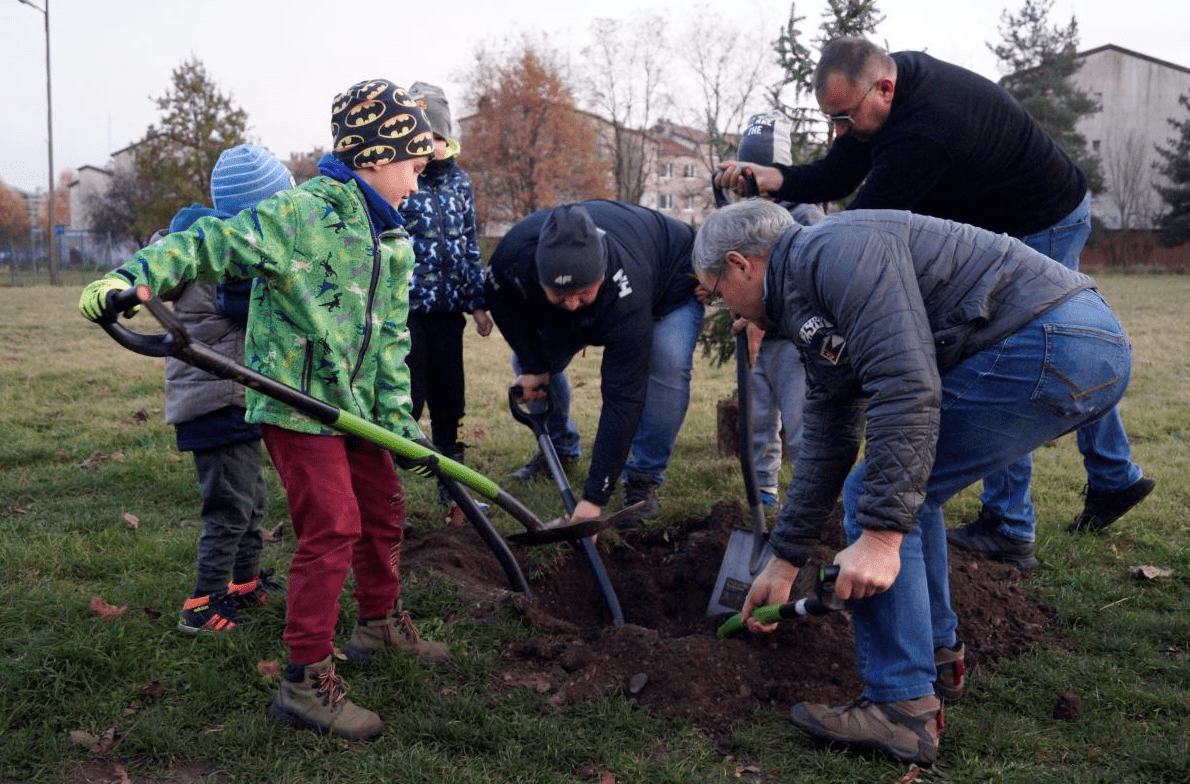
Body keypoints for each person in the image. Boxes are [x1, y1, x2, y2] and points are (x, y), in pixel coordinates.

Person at [694, 199, 1134, 765]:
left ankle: (900, 706)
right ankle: (936, 654)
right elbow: (831, 427)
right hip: (1070, 341)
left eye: (714, 291)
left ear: (740, 265)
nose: (724, 309)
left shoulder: (833, 252)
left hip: (1052, 339)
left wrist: (878, 538)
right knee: (905, 493)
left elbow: (904, 383)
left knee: (878, 496)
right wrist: (784, 558)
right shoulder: (808, 287)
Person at [80, 79, 450, 741]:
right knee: (333, 526)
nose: (417, 188)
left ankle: (379, 622)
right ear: (375, 157)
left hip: (357, 409)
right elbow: (208, 242)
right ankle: (304, 679)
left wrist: (401, 426)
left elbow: (391, 346)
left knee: (383, 509)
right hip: (297, 405)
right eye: (413, 170)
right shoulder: (301, 213)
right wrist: (127, 275)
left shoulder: (392, 244)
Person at [715, 36, 1153, 569]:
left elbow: (857, 234)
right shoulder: (882, 95)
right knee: (1048, 347)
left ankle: (1008, 525)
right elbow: (838, 174)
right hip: (998, 220)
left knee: (1004, 354)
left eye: (845, 119)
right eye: (833, 119)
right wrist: (777, 178)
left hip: (1043, 219)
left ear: (884, 88)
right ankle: (1114, 474)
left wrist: (778, 298)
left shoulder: (926, 130)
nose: (840, 132)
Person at [485, 200, 702, 528]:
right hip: (605, 292)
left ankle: (643, 478)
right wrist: (533, 365)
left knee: (667, 360)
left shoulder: (625, 287)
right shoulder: (511, 258)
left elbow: (622, 398)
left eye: (583, 293)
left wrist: (593, 499)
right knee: (525, 360)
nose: (572, 304)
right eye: (560, 294)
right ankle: (558, 449)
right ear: (538, 276)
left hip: (669, 274)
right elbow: (503, 306)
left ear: (600, 274)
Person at [161, 144, 293, 634]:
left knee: (252, 499)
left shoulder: (211, 250)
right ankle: (203, 602)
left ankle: (244, 581)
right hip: (216, 403)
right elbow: (263, 300)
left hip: (234, 401)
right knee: (229, 508)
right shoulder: (227, 268)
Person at [398, 82, 493, 525]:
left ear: (447, 137)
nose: (429, 146)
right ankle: (389, 482)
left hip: (449, 310)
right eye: (421, 138)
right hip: (407, 310)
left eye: (436, 136)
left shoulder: (460, 182)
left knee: (449, 398)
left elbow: (468, 244)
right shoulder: (400, 182)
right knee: (410, 396)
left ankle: (452, 488)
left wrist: (476, 302)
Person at [730, 111, 824, 507]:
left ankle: (813, 501)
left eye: (759, 173)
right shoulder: (739, 218)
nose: (751, 184)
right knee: (757, 421)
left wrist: (760, 317)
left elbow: (813, 282)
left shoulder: (804, 216)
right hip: (756, 345)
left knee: (802, 424)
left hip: (795, 344)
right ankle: (763, 493)